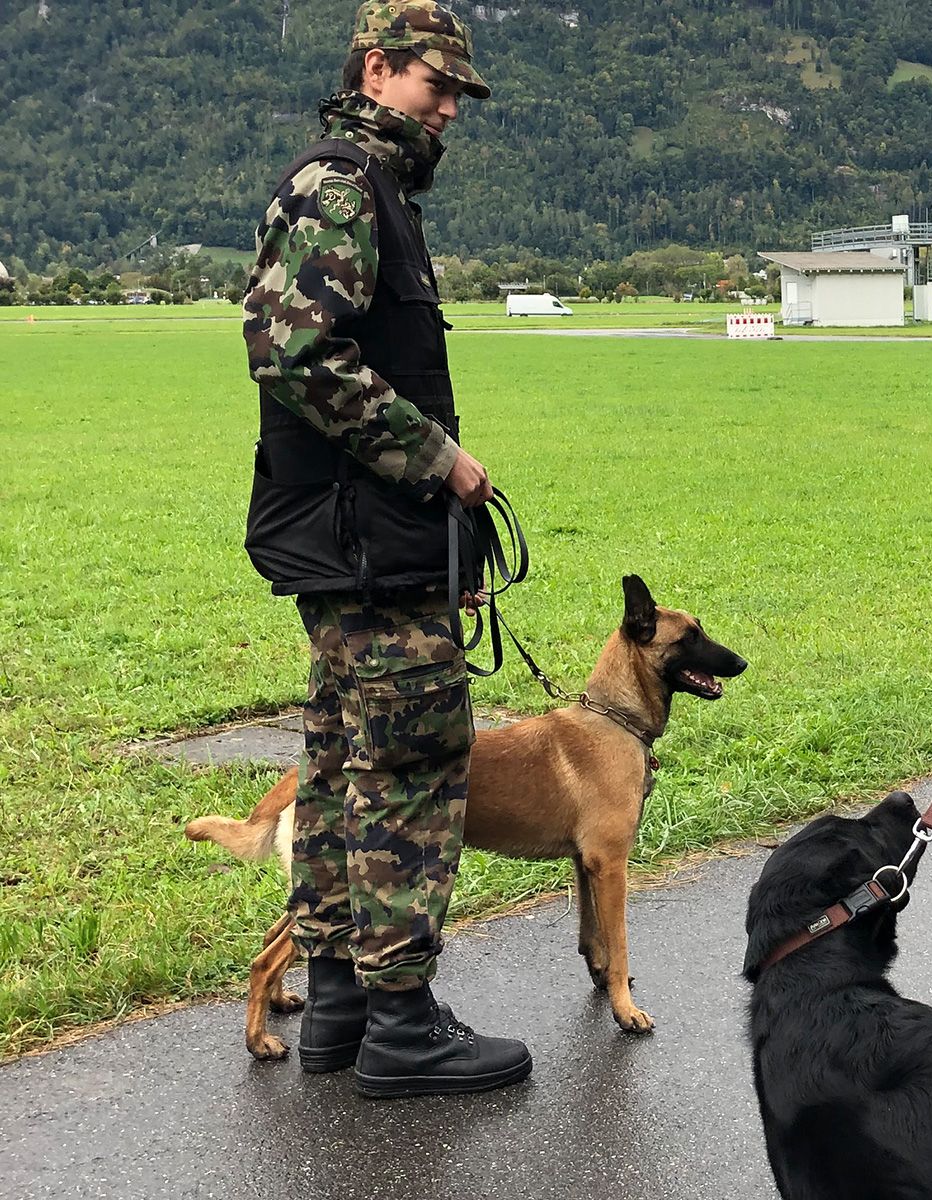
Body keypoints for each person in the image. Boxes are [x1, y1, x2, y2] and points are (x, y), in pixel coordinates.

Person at [240, 0, 529, 1097]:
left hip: (358, 542)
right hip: (368, 543)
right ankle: (402, 1024)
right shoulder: (343, 185)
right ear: (376, 70)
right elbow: (293, 351)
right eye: (435, 84)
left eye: (457, 92)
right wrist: (437, 459)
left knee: (336, 766)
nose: (449, 108)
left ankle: (341, 1009)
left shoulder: (374, 189)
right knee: (411, 766)